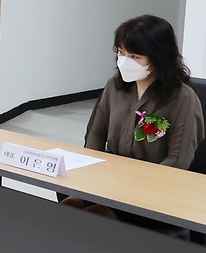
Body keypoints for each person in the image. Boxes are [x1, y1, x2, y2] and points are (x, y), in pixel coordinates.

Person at [62, 15, 204, 224]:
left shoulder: (182, 98)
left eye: (134, 56)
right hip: (111, 179)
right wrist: (90, 177)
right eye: (121, 53)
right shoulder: (115, 85)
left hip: (154, 191)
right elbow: (95, 134)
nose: (124, 61)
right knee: (67, 209)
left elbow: (178, 160)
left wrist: (135, 188)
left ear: (158, 57)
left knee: (93, 219)